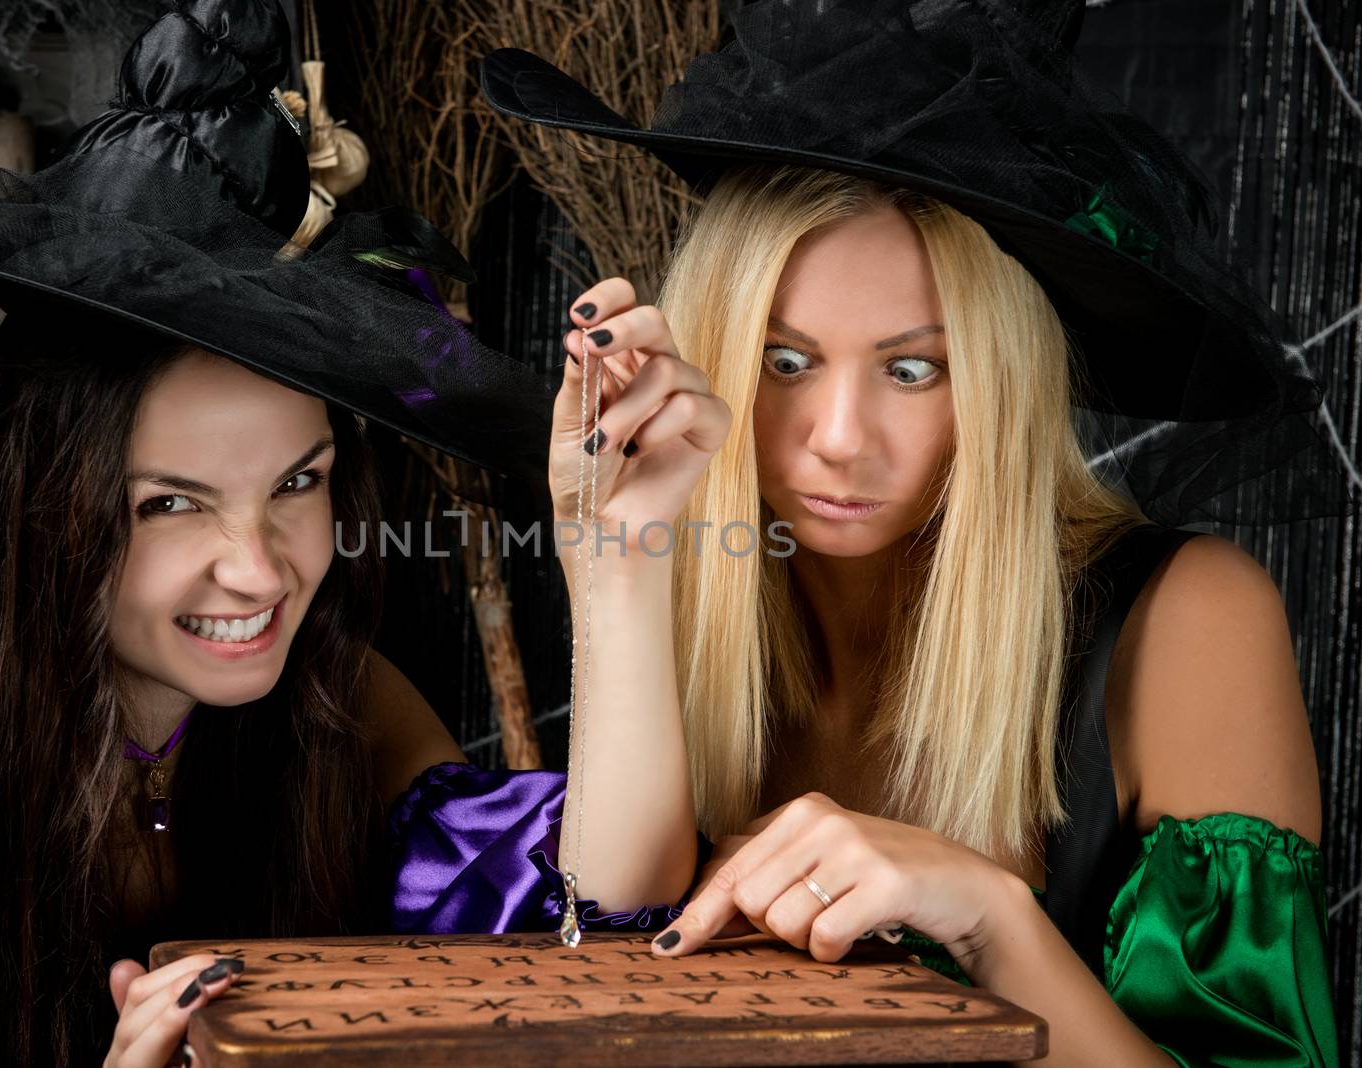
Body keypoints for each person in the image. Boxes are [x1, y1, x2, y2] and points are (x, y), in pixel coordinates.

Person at [0, 0, 673, 1064]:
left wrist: (616, 565)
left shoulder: (346, 709)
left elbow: (607, 925)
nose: (257, 571)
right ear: (40, 509)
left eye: (298, 482)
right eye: (170, 502)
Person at [478, 0, 1343, 1063]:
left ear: (1002, 381)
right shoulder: (695, 595)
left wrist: (989, 921)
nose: (839, 439)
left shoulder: (1186, 622)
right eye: (785, 361)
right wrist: (612, 572)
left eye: (912, 368)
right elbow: (614, 979)